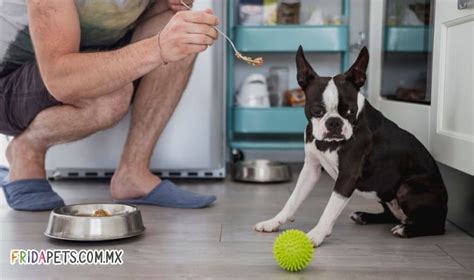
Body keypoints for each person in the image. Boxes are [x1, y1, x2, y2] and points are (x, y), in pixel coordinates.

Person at [0, 0, 219, 211]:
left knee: (181, 30)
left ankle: (132, 173)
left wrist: (165, 7)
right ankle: (27, 150)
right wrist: (159, 46)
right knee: (110, 96)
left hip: (79, 59)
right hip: (9, 82)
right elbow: (61, 79)